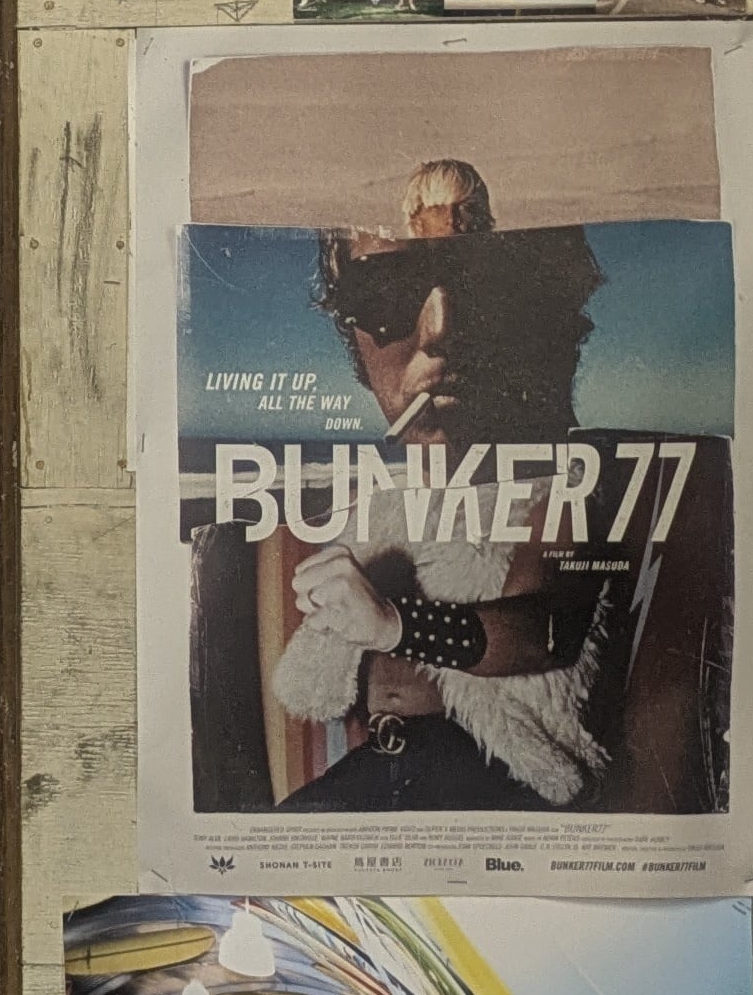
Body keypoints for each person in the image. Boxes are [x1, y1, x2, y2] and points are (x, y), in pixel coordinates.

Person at [261, 156, 619, 812]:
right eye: (385, 295)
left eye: (483, 289)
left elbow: (546, 629)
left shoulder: (561, 478)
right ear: (355, 344)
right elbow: (309, 690)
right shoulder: (378, 498)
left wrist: (396, 624)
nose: (440, 331)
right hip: (375, 773)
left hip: (498, 782)